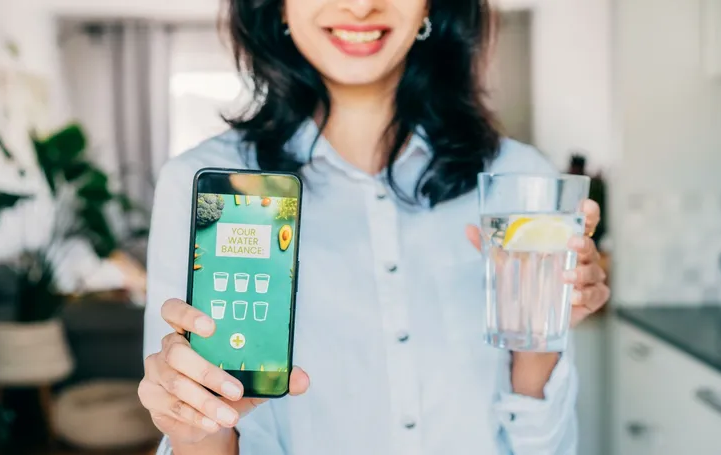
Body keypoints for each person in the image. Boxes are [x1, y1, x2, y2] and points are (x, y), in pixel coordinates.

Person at [140, 1, 610, 454]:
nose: (361, 6)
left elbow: (544, 447)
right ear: (279, 6)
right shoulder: (204, 187)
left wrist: (542, 324)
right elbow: (198, 437)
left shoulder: (521, 182)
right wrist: (196, 428)